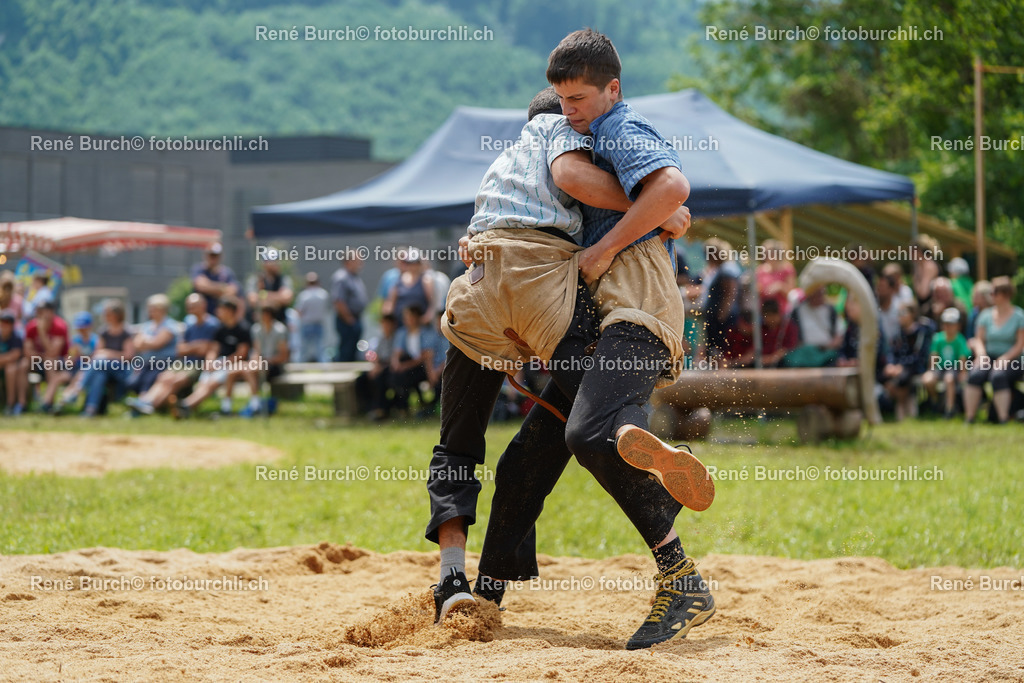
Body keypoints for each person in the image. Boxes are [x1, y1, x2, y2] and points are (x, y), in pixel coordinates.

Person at [470, 31, 717, 650]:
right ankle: (486, 599)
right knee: (525, 460)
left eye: (578, 101)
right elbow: (661, 206)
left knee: (588, 433)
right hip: (600, 317)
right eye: (564, 103)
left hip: (637, 309)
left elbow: (672, 194)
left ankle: (682, 578)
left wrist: (610, 243)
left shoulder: (611, 131)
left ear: (611, 90)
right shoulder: (573, 150)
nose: (571, 114)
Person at [127, 293, 220, 415]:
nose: (190, 309)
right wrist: (196, 347)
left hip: (199, 363)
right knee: (164, 377)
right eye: (189, 306)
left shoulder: (212, 324)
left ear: (203, 305)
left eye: (193, 306)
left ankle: (152, 406)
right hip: (184, 362)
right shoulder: (189, 322)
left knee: (176, 380)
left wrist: (193, 348)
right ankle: (146, 402)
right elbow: (180, 349)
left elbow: (208, 349)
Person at [172, 297, 251, 418]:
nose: (218, 312)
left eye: (221, 309)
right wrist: (210, 362)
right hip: (218, 363)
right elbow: (214, 349)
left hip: (234, 364)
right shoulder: (220, 328)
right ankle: (187, 407)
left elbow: (241, 354)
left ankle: (185, 405)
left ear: (229, 310)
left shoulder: (242, 329)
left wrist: (221, 363)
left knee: (211, 383)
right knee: (204, 382)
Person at [964, 276, 1024, 424]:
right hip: (988, 355)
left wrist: (1004, 359)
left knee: (998, 375)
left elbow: (1020, 344)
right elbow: (979, 339)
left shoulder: (1018, 316)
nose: (991, 296)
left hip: (1013, 358)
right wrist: (982, 355)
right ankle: (970, 418)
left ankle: (1003, 419)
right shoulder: (985, 315)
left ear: (1005, 294)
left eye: (993, 292)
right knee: (976, 374)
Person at [80, 301, 134, 417]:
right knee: (99, 375)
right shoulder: (103, 331)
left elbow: (129, 356)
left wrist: (109, 354)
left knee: (100, 362)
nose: (105, 316)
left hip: (121, 370)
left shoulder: (126, 332)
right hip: (103, 368)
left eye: (107, 313)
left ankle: (79, 388)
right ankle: (91, 409)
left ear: (117, 315)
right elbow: (97, 353)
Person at [882, 301, 934, 421]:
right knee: (885, 376)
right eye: (898, 313)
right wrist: (891, 365)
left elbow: (920, 356)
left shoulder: (921, 332)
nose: (900, 316)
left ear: (913, 314)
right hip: (900, 368)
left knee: (902, 379)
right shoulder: (899, 333)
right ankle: (902, 409)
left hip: (916, 367)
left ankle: (903, 410)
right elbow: (892, 352)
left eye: (903, 312)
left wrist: (901, 366)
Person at [240, 303, 289, 418]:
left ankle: (256, 404)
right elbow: (256, 351)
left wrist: (265, 360)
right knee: (246, 369)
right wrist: (254, 360)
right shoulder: (256, 329)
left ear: (267, 315)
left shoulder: (280, 330)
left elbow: (283, 356)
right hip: (261, 364)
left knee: (251, 370)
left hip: (276, 365)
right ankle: (255, 403)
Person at [126, 294, 180, 397]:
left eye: (153, 309)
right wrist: (149, 342)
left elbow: (158, 344)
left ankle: (143, 403)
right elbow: (137, 344)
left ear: (162, 310)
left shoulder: (170, 325)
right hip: (146, 363)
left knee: (148, 381)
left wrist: (146, 341)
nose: (150, 311)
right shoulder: (147, 325)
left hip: (163, 363)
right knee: (132, 383)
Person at [922, 307, 971, 418]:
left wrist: (963, 372)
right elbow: (934, 356)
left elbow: (962, 358)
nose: (948, 327)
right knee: (927, 379)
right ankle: (936, 402)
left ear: (958, 325)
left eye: (951, 324)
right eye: (946, 323)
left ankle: (949, 409)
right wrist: (931, 370)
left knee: (949, 379)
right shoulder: (938, 338)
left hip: (953, 368)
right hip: (940, 367)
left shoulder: (960, 339)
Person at [23, 300, 70, 413]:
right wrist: (42, 356)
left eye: (43, 311)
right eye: (38, 311)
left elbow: (53, 352)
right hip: (37, 360)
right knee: (22, 365)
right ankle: (20, 404)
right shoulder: (31, 326)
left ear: (52, 312)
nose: (40, 314)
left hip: (60, 362)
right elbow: (28, 352)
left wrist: (42, 332)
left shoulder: (60, 326)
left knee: (50, 361)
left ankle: (47, 404)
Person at [700, 237, 740, 362]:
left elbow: (730, 292)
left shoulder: (727, 269)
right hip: (716, 317)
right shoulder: (721, 268)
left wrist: (722, 313)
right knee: (713, 349)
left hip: (722, 318)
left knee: (720, 347)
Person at [785, 286, 844, 367]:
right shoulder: (798, 311)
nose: (820, 296)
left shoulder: (831, 310)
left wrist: (829, 346)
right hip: (804, 353)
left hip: (826, 353)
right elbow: (792, 336)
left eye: (821, 293)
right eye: (817, 293)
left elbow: (839, 335)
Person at [53, 311, 99, 412]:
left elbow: (96, 359)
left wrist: (81, 355)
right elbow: (69, 362)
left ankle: (66, 399)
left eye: (84, 328)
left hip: (89, 371)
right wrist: (71, 357)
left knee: (80, 375)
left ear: (89, 327)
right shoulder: (75, 341)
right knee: (58, 378)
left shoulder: (95, 340)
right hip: (74, 369)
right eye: (80, 328)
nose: (81, 331)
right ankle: (51, 403)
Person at [355, 313, 399, 420]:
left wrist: (380, 367)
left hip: (390, 367)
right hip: (380, 366)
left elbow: (394, 357)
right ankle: (369, 407)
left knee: (380, 380)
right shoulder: (381, 339)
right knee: (361, 380)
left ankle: (380, 409)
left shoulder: (397, 338)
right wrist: (375, 366)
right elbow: (377, 356)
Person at [383, 250, 435, 327]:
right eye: (410, 263)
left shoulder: (425, 280)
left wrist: (428, 317)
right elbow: (391, 302)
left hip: (420, 325)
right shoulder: (399, 280)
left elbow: (432, 303)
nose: (413, 266)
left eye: (415, 263)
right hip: (401, 324)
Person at [330, 256, 367, 362]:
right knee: (346, 350)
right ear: (348, 262)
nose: (360, 263)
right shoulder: (342, 277)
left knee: (352, 350)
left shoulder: (353, 277)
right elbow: (338, 301)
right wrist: (349, 319)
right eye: (357, 261)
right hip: (347, 320)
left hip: (355, 318)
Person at [191, 243, 240, 315]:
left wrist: (209, 286)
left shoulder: (227, 273)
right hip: (201, 317)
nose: (213, 258)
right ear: (206, 255)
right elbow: (201, 286)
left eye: (216, 255)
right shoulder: (199, 269)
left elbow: (232, 291)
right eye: (211, 255)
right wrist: (223, 288)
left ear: (221, 257)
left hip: (221, 316)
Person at [295, 271, 330, 363]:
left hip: (307, 324)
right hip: (319, 324)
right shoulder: (323, 294)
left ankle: (299, 366)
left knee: (303, 348)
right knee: (321, 348)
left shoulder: (303, 295)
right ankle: (325, 367)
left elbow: (299, 311)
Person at [246, 256, 293, 324]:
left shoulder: (284, 279)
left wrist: (262, 295)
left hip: (280, 322)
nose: (274, 265)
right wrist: (277, 297)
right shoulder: (255, 280)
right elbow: (253, 300)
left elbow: (286, 298)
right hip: (259, 323)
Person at [756, 238, 796, 314]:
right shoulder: (760, 270)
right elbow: (757, 291)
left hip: (782, 313)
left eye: (768, 253)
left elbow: (792, 294)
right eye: (764, 253)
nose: (766, 256)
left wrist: (780, 287)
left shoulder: (787, 269)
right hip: (764, 312)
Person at [0, 310, 28, 415]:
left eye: (7, 323)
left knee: (10, 369)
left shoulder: (16, 337)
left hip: (14, 367)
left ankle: (10, 404)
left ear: (12, 325)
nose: (4, 325)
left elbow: (15, 355)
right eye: (2, 322)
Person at [911, 234, 941, 309]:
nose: (910, 255)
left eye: (912, 252)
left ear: (920, 252)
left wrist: (915, 278)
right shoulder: (920, 267)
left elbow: (923, 293)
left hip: (932, 308)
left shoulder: (929, 266)